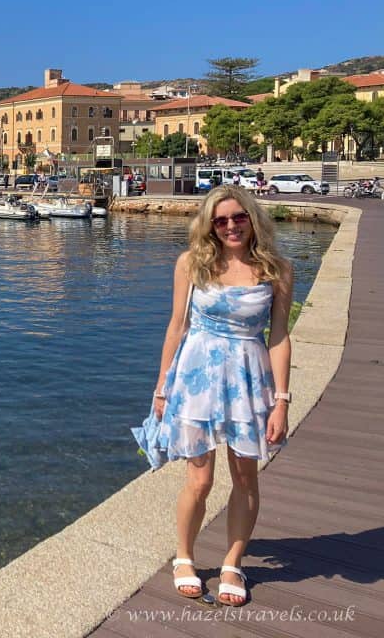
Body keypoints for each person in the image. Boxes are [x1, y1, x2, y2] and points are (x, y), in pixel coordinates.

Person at [133, 185, 293, 607]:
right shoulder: (192, 263)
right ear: (209, 226)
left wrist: (281, 400)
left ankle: (232, 563)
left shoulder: (277, 269)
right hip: (196, 379)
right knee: (199, 480)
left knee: (245, 477)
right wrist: (162, 388)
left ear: (253, 218)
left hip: (247, 380)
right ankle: (184, 557)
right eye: (220, 220)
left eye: (239, 217)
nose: (230, 226)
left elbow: (279, 337)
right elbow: (177, 327)